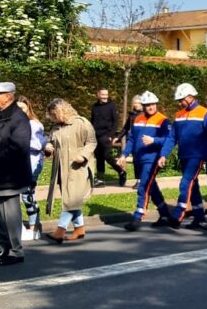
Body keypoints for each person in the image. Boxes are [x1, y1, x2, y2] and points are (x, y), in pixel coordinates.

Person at [0, 82, 33, 266]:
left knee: (9, 215)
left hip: (10, 176)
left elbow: (18, 148)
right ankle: (2, 247)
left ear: (8, 96)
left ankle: (15, 251)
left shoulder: (18, 118)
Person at [162, 84, 207, 229]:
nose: (179, 103)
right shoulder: (179, 115)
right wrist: (163, 154)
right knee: (192, 187)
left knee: (185, 182)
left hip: (198, 155)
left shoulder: (205, 114)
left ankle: (177, 215)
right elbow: (172, 137)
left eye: (181, 100)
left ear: (189, 97)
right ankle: (199, 217)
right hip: (184, 155)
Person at [43, 99, 97, 241]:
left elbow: (92, 142)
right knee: (71, 199)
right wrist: (48, 148)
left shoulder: (81, 123)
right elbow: (51, 142)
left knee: (71, 200)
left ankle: (60, 230)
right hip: (61, 169)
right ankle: (79, 229)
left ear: (61, 111)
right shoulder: (56, 128)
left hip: (78, 169)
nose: (52, 118)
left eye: (54, 114)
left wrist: (83, 155)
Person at [120, 90, 172, 231]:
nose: (151, 107)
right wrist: (124, 154)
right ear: (143, 106)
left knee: (143, 186)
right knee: (151, 187)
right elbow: (131, 139)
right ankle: (165, 214)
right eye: (148, 105)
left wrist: (154, 140)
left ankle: (138, 216)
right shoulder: (137, 119)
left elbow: (169, 139)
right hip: (139, 158)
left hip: (152, 159)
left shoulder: (163, 120)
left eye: (153, 104)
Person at [16, 96, 46, 241]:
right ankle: (32, 226)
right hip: (20, 163)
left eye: (23, 108)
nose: (20, 111)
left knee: (27, 195)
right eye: (17, 108)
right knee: (24, 194)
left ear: (28, 108)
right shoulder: (17, 123)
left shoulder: (33, 124)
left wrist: (20, 143)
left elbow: (40, 144)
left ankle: (35, 226)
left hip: (32, 163)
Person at [90, 88, 127, 187]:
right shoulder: (94, 106)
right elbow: (92, 121)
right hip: (96, 135)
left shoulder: (112, 106)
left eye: (106, 95)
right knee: (99, 158)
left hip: (106, 136)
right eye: (103, 95)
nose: (105, 97)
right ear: (98, 95)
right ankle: (101, 180)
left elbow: (115, 122)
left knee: (107, 156)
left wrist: (111, 135)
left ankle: (121, 171)